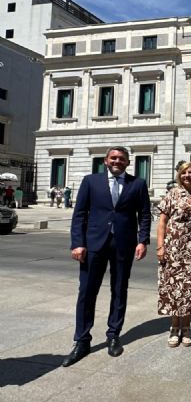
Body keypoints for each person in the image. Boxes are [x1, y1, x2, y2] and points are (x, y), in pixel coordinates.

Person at [62, 146, 151, 367]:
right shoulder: (90, 181)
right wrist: (78, 243)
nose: (117, 161)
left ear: (128, 162)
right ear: (105, 160)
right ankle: (82, 340)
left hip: (124, 244)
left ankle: (113, 334)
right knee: (86, 292)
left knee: (119, 289)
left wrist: (142, 240)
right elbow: (79, 214)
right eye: (113, 158)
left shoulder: (137, 184)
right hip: (93, 244)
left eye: (122, 158)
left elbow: (145, 214)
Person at [157, 162, 191, 347]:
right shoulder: (172, 194)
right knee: (173, 288)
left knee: (190, 289)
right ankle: (174, 326)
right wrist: (160, 247)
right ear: (180, 175)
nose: (188, 175)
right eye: (184, 173)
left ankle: (186, 327)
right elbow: (162, 221)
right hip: (173, 248)